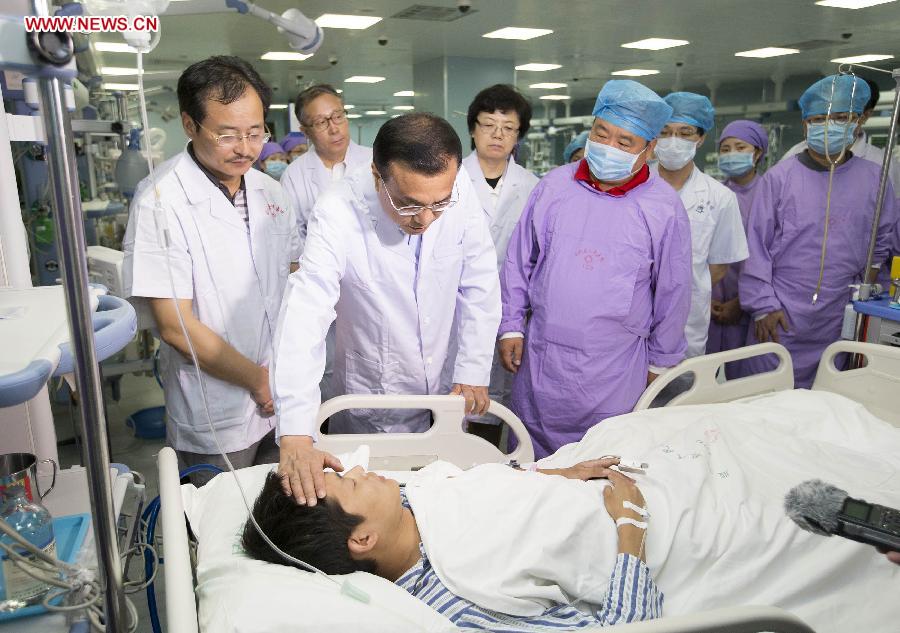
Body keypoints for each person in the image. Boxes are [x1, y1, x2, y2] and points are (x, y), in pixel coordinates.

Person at [274, 113, 501, 505]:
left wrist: (473, 369)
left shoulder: (455, 186)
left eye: (439, 205)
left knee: (442, 503)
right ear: (377, 175)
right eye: (409, 204)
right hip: (372, 399)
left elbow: (480, 279)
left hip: (444, 391)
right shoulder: (338, 210)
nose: (426, 219)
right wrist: (295, 433)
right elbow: (304, 314)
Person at [123, 56, 299, 485]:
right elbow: (175, 326)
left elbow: (292, 278)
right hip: (215, 411)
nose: (245, 148)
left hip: (283, 396)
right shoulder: (161, 201)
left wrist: (288, 373)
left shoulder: (271, 192)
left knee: (282, 513)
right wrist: (257, 380)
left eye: (255, 133)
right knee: (221, 516)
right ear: (190, 124)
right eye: (228, 135)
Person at [499, 80, 693, 458]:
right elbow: (520, 260)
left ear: (650, 149)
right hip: (542, 359)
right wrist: (510, 325)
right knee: (531, 465)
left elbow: (674, 292)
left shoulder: (663, 208)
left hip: (614, 369)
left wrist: (661, 362)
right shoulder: (554, 187)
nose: (608, 147)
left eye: (625, 142)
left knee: (603, 462)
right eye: (601, 134)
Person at [243, 461, 661, 629]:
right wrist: (631, 527)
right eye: (349, 483)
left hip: (596, 480)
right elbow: (623, 630)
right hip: (640, 521)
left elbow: (480, 485)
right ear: (364, 539)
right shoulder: (461, 602)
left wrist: (557, 474)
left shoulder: (406, 496)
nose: (357, 468)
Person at [736, 75, 898, 388]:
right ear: (805, 125)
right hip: (780, 314)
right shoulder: (780, 178)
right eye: (819, 119)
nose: (829, 126)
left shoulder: (875, 179)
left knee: (828, 400)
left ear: (858, 122)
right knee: (765, 398)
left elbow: (882, 243)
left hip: (840, 317)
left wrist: (864, 295)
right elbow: (755, 248)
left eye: (840, 118)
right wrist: (763, 307)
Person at [461, 84, 539, 443]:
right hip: (457, 307)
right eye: (489, 125)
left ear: (518, 135)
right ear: (472, 128)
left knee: (498, 401)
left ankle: (489, 461)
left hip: (512, 309)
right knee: (454, 397)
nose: (498, 135)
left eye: (508, 128)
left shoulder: (534, 187)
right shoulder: (451, 179)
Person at [653, 92, 748, 365]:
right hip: (629, 316)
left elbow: (718, 267)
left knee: (679, 384)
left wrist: (677, 290)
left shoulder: (720, 198)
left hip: (687, 319)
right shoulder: (634, 186)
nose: (673, 141)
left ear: (701, 138)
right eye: (665, 132)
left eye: (685, 133)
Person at [707, 120, 769, 370]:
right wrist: (705, 299)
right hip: (711, 305)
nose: (732, 154)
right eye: (725, 149)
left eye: (740, 147)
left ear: (758, 153)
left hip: (750, 307)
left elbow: (771, 255)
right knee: (703, 376)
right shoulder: (713, 195)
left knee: (743, 378)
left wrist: (741, 302)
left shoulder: (769, 195)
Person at [281, 84, 373, 250]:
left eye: (338, 116)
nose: (334, 129)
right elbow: (294, 237)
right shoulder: (294, 176)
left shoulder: (375, 161)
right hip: (319, 263)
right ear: (305, 132)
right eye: (321, 122)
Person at [779, 77, 899, 192]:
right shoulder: (795, 155)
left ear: (864, 116)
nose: (830, 123)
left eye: (841, 117)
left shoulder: (882, 164)